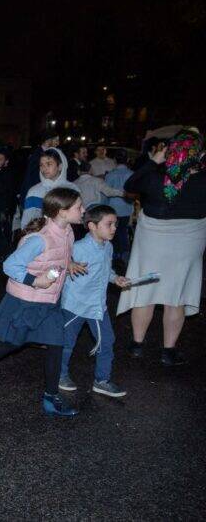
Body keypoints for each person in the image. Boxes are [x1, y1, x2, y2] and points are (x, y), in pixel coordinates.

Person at [0, 188, 85, 417]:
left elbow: (60, 255)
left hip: (51, 302)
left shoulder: (68, 231)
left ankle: (51, 397)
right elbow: (9, 265)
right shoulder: (39, 239)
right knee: (13, 343)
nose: (83, 210)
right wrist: (35, 281)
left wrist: (70, 264)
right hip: (28, 301)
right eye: (78, 207)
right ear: (62, 212)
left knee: (56, 344)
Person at [117, 130, 206, 366]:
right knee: (176, 296)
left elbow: (130, 185)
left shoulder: (155, 176)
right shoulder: (203, 179)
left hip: (152, 243)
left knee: (145, 292)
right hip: (187, 244)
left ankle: (137, 345)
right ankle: (168, 351)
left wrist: (153, 162)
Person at [59, 205, 131, 397]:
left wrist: (115, 278)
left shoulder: (108, 246)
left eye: (115, 224)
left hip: (98, 306)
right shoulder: (78, 248)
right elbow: (60, 266)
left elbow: (105, 270)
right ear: (92, 226)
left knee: (106, 341)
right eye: (109, 224)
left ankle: (102, 380)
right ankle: (60, 374)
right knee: (66, 343)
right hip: (75, 305)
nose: (114, 228)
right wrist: (67, 266)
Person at [21, 148, 78, 228]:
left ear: (60, 166)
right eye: (41, 165)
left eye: (49, 164)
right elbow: (27, 222)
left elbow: (78, 217)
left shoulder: (72, 189)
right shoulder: (34, 192)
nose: (44, 168)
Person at [105, 149, 135, 266]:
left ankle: (114, 255)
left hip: (113, 208)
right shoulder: (132, 174)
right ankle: (125, 256)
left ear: (114, 160)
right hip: (127, 208)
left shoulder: (110, 175)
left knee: (112, 232)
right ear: (127, 160)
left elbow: (106, 192)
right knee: (123, 231)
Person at [19, 131, 60, 207]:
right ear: (48, 141)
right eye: (56, 140)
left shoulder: (46, 153)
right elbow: (31, 178)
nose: (58, 143)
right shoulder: (38, 155)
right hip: (34, 198)